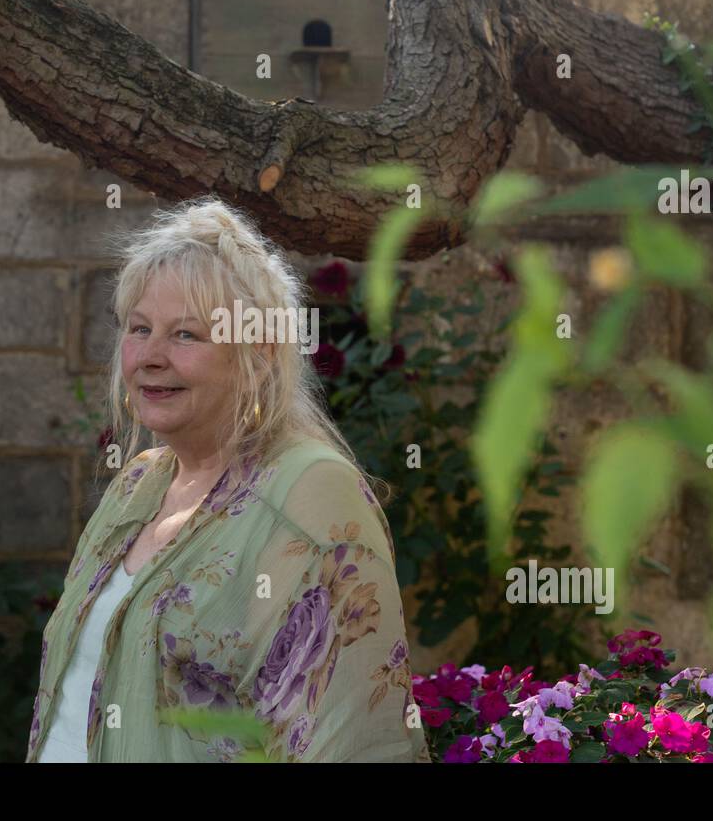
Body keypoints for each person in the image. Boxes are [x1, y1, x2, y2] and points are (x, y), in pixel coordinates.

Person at [26, 195, 429, 763]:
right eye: (139, 328)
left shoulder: (310, 491)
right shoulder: (136, 486)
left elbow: (352, 740)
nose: (149, 356)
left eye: (186, 335)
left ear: (258, 354)